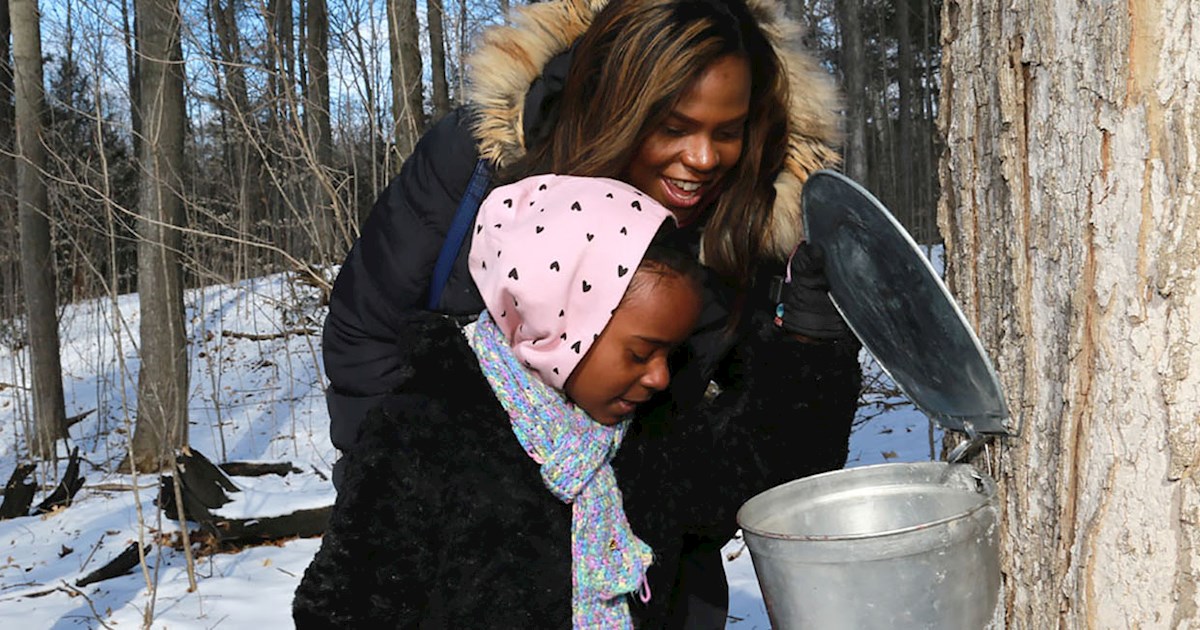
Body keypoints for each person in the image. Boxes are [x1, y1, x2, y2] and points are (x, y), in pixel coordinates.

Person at [319, 0, 862, 626]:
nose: (705, 158)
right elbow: (365, 331)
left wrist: (813, 340)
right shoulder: (478, 161)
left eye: (728, 130)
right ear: (619, 107)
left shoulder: (749, 212)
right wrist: (397, 502)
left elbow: (763, 446)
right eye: (674, 125)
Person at [294, 175, 706, 627]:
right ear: (561, 324)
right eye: (641, 353)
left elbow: (743, 478)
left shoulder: (647, 431)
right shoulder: (425, 434)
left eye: (672, 352)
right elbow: (341, 608)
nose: (660, 376)